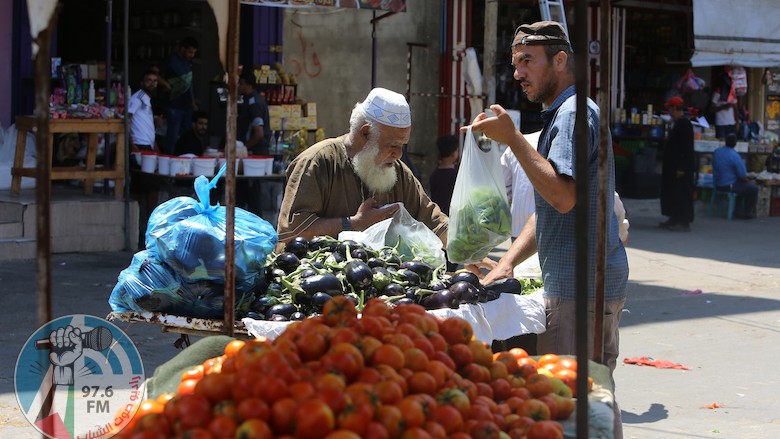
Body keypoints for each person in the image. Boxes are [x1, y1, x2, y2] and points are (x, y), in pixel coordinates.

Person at [465, 21, 628, 437]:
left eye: (527, 61)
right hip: (580, 284)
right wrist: (508, 262)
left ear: (560, 61)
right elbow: (551, 210)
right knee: (586, 403)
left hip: (581, 291)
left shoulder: (574, 115)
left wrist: (513, 138)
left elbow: (563, 196)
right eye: (515, 62)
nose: (518, 72)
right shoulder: (567, 113)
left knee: (570, 408)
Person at [277, 87, 448, 244]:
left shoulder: (398, 172)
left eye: (402, 146)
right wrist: (352, 224)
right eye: (392, 145)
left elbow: (434, 222)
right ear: (365, 133)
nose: (399, 154)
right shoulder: (317, 162)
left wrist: (468, 250)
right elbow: (290, 233)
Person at [659, 96, 695, 232]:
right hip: (672, 166)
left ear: (674, 108)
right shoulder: (675, 123)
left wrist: (682, 167)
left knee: (682, 194)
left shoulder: (684, 124)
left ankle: (683, 221)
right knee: (672, 193)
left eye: (670, 108)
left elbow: (686, 148)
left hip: (681, 167)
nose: (668, 111)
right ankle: (673, 217)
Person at [158, 37, 199, 154]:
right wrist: (165, 83)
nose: (192, 55)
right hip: (173, 105)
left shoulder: (188, 63)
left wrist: (193, 101)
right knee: (172, 137)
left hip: (187, 106)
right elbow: (154, 72)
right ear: (182, 49)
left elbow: (189, 84)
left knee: (187, 136)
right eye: (190, 52)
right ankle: (170, 160)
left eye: (194, 53)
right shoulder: (170, 60)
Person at [713, 133, 759, 219]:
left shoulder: (717, 151)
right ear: (735, 143)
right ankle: (747, 212)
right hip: (728, 185)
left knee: (742, 186)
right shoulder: (734, 155)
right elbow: (742, 175)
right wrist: (750, 181)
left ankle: (738, 210)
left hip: (717, 182)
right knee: (753, 188)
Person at [237, 73, 272, 155]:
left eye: (241, 84)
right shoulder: (250, 100)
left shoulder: (254, 104)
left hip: (255, 153)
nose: (238, 86)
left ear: (249, 85)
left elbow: (259, 133)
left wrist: (244, 148)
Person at [127, 69, 159, 152]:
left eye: (155, 81)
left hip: (147, 143)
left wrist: (154, 143)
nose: (152, 84)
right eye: (149, 81)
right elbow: (127, 118)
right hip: (139, 143)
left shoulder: (146, 98)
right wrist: (130, 143)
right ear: (142, 83)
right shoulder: (138, 97)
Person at [429, 135, 459, 215]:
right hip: (450, 216)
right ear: (453, 153)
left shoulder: (435, 174)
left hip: (436, 214)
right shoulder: (455, 175)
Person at [711, 68, 737, 139]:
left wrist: (737, 122)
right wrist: (723, 107)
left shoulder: (732, 92)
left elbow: (735, 108)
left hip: (731, 123)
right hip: (720, 123)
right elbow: (711, 109)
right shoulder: (717, 93)